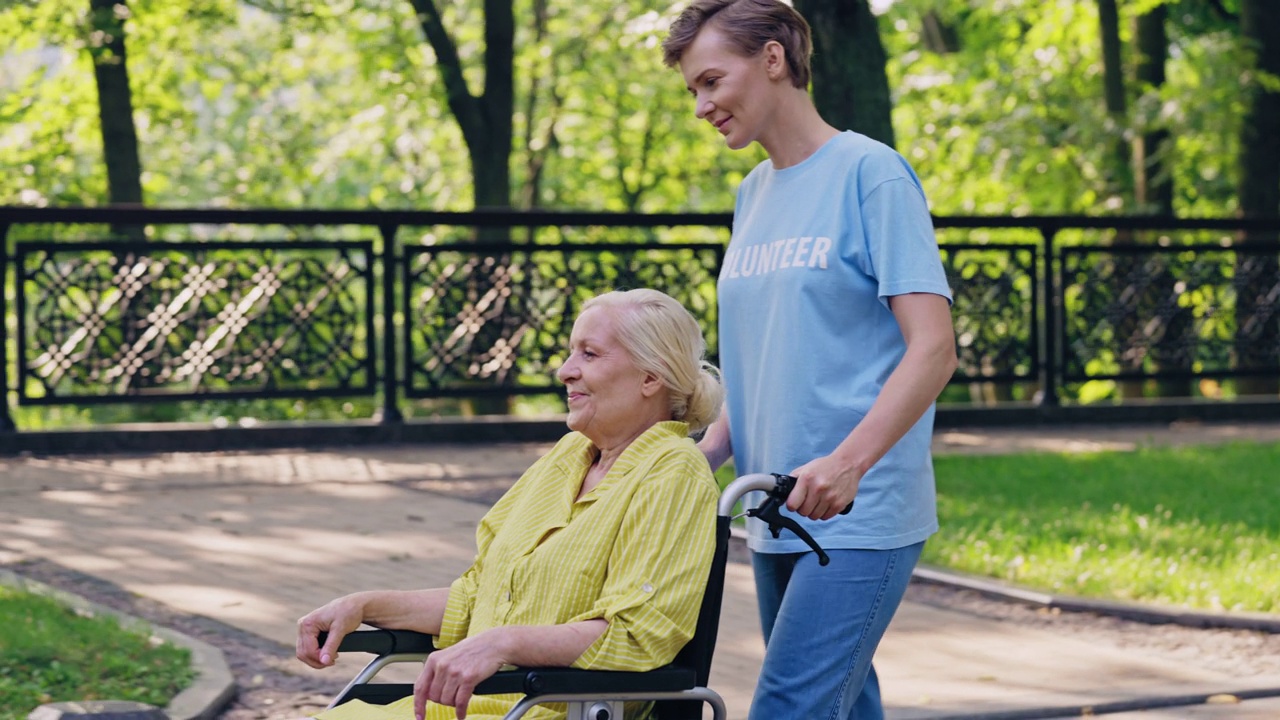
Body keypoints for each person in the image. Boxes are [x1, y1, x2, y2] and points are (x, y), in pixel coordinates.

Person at [661, 2, 959, 719]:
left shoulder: (871, 174)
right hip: (772, 506)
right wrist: (701, 457)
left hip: (858, 510)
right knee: (842, 704)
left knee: (790, 707)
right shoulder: (752, 194)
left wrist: (849, 463)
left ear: (772, 59)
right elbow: (763, 360)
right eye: (692, 91)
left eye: (710, 81)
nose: (701, 106)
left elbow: (934, 346)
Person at [296, 288, 725, 720]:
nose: (564, 372)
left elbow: (638, 637)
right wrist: (365, 606)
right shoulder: (568, 456)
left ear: (651, 377)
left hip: (551, 710)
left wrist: (505, 642)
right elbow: (479, 599)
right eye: (570, 353)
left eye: (589, 355)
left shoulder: (673, 473)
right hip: (484, 707)